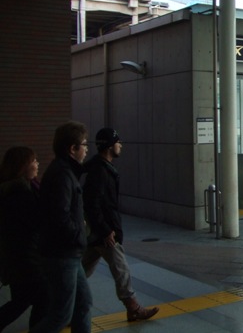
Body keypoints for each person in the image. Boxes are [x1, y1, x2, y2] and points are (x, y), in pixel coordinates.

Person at [81, 128, 159, 321]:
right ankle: (133, 307)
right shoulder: (100, 171)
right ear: (109, 146)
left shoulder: (101, 167)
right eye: (118, 142)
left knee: (80, 270)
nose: (121, 145)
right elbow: (93, 204)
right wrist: (106, 230)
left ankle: (63, 304)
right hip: (104, 232)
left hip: (99, 231)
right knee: (121, 268)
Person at [30, 121, 92, 333]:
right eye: (84, 144)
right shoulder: (62, 175)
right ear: (73, 148)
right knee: (61, 314)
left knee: (83, 304)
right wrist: (79, 234)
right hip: (62, 254)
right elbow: (60, 216)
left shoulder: (64, 171)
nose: (87, 149)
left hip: (68, 252)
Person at [0, 147, 48, 331]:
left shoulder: (21, 188)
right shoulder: (19, 194)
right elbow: (37, 223)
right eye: (33, 161)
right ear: (22, 166)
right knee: (42, 298)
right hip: (25, 259)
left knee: (22, 300)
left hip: (18, 258)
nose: (37, 164)